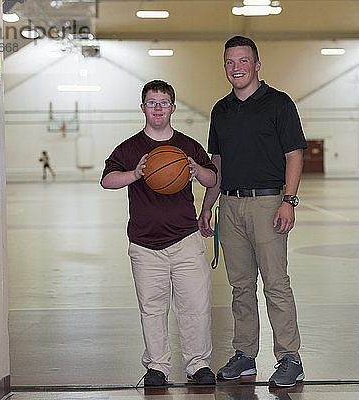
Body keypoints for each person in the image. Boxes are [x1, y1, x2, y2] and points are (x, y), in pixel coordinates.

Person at [198, 36, 307, 387]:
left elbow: (294, 155)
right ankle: (245, 355)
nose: (236, 68)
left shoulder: (279, 104)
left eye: (243, 61)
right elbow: (218, 163)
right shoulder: (221, 110)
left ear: (257, 65)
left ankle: (290, 357)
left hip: (268, 203)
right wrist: (207, 207)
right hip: (230, 205)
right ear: (224, 67)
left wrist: (288, 201)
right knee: (240, 287)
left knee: (276, 285)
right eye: (230, 62)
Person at [101, 80, 218, 386]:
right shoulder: (129, 148)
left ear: (173, 108)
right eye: (151, 103)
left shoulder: (188, 146)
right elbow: (107, 180)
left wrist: (195, 169)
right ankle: (158, 366)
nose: (157, 108)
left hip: (186, 240)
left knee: (195, 305)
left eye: (163, 103)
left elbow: (212, 178)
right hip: (144, 244)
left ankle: (197, 365)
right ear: (143, 108)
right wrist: (136, 174)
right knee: (152, 309)